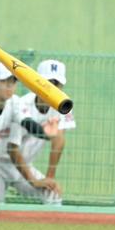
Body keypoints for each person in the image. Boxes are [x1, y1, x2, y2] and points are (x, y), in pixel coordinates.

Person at [0, 63, 60, 204]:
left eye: (13, 81)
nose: (10, 86)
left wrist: (44, 133)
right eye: (4, 81)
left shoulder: (15, 103)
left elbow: (26, 122)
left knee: (52, 195)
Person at [15, 59, 76, 204]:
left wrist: (49, 176)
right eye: (48, 83)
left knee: (53, 196)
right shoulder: (22, 104)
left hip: (26, 167)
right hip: (2, 164)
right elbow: (12, 149)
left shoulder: (64, 105)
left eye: (57, 84)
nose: (53, 88)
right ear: (36, 82)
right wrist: (33, 180)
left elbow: (59, 140)